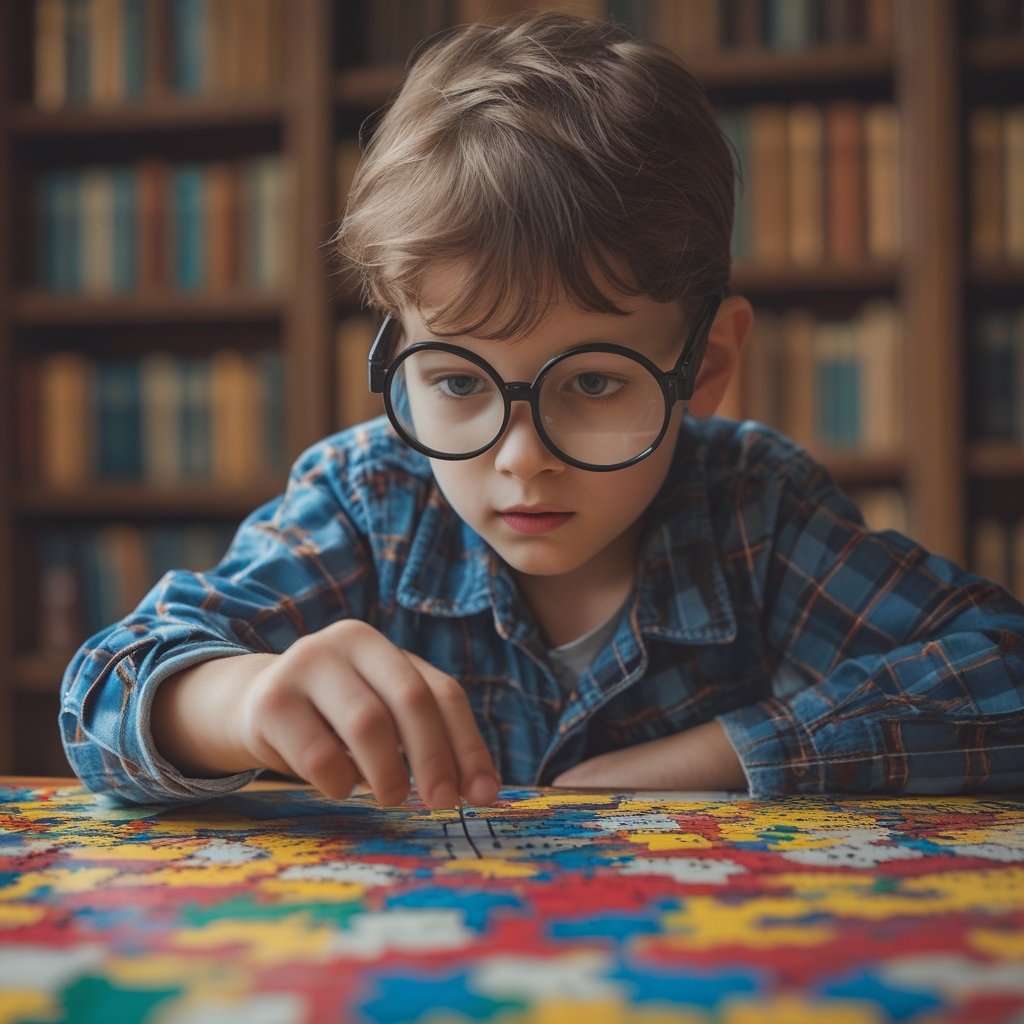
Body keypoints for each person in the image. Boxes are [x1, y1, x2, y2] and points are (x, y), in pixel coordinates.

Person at [60, 12, 1024, 808]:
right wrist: (235, 701)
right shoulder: (366, 500)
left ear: (708, 363)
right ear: (398, 354)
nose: (521, 459)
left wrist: (718, 758)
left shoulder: (755, 512)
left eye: (593, 383)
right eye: (457, 383)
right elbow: (104, 689)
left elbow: (1005, 669)